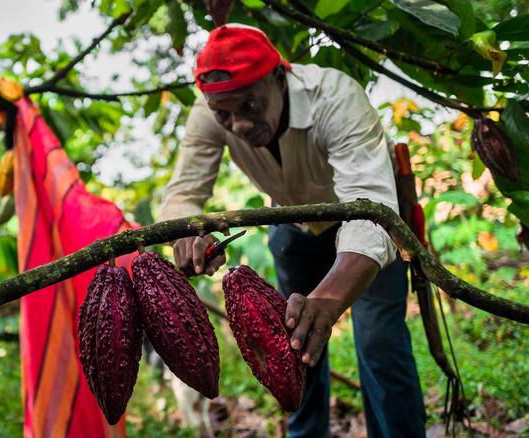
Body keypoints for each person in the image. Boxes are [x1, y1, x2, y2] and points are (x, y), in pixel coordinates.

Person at [158, 24, 427, 437]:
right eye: (225, 115)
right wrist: (188, 233)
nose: (239, 125)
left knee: (378, 341)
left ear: (280, 79)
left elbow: (371, 213)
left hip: (372, 226)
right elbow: (182, 194)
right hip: (292, 224)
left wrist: (330, 300)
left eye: (250, 105)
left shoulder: (334, 97)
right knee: (295, 347)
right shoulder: (210, 112)